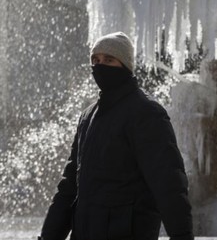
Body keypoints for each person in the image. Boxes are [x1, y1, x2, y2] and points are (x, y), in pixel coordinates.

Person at [39, 32, 193, 240]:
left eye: (109, 60)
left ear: (125, 65)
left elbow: (169, 184)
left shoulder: (146, 113)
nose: (99, 66)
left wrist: (182, 235)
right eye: (95, 60)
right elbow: (69, 188)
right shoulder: (88, 116)